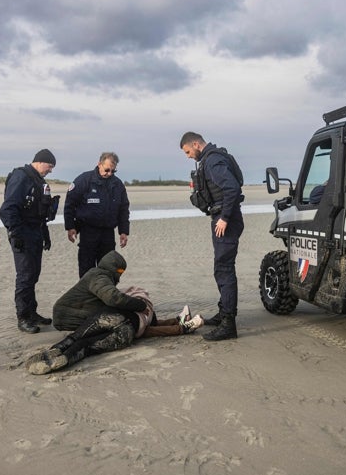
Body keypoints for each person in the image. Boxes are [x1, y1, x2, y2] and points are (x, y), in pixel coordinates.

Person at [25, 251, 203, 375]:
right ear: (112, 268)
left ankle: (59, 352)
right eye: (119, 271)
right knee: (86, 345)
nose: (120, 275)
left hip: (107, 321)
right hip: (108, 324)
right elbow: (114, 298)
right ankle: (181, 325)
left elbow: (114, 300)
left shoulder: (99, 277)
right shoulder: (99, 277)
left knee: (78, 339)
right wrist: (141, 306)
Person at [180, 131, 244, 341]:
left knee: (224, 268)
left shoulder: (213, 161)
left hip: (226, 220)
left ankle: (228, 324)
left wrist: (224, 217)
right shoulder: (214, 158)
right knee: (222, 268)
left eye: (188, 151)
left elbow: (232, 188)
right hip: (224, 218)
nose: (188, 156)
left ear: (196, 144)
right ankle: (223, 313)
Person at [0, 149, 58, 333]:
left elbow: (40, 213)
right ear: (40, 161)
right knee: (25, 276)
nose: (50, 171)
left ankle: (32, 313)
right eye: (49, 166)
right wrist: (16, 234)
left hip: (36, 232)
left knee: (33, 274)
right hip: (23, 233)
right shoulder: (21, 177)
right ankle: (23, 317)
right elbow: (7, 209)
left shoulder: (39, 181)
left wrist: (45, 236)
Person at [64, 152, 130, 278]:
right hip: (88, 231)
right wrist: (70, 226)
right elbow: (70, 204)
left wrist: (124, 232)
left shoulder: (118, 184)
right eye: (107, 170)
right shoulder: (84, 180)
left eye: (113, 171)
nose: (109, 173)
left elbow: (123, 209)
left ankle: (105, 295)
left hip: (108, 233)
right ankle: (87, 296)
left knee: (108, 269)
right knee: (87, 269)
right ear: (99, 164)